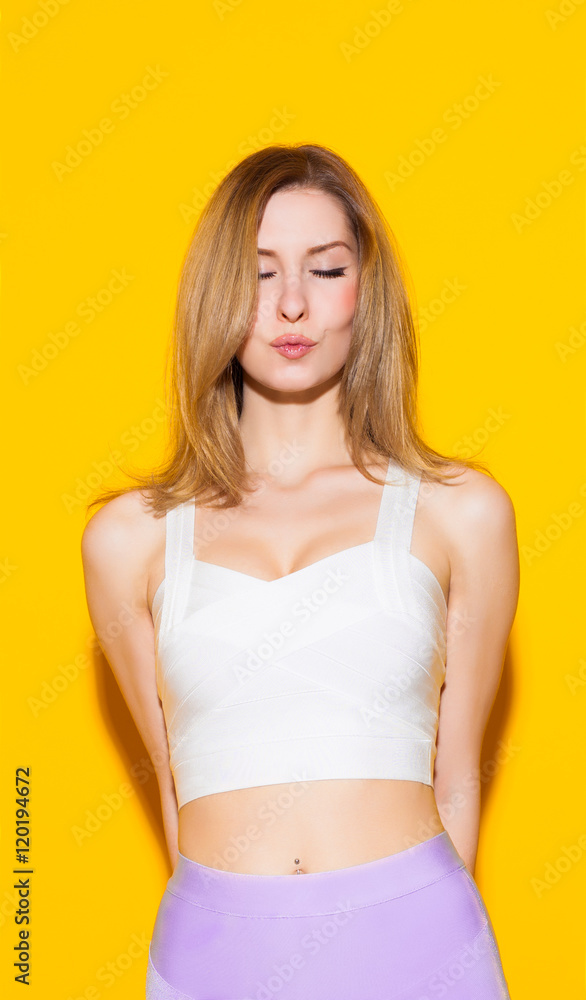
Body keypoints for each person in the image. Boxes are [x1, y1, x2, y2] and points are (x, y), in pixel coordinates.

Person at [81, 143, 518, 999]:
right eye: (258, 273)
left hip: (420, 950)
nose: (291, 304)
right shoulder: (128, 540)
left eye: (325, 269)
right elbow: (172, 781)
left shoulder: (460, 513)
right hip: (214, 958)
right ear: (215, 293)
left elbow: (459, 776)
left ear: (365, 290)